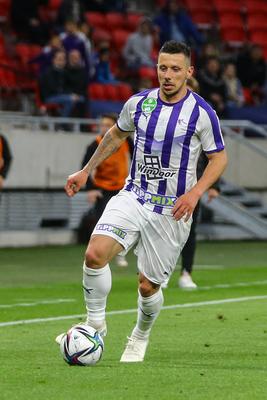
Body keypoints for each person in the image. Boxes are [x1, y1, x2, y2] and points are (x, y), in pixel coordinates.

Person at [60, 40, 227, 363]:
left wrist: (194, 192)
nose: (168, 75)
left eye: (175, 69)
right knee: (94, 254)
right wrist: (86, 170)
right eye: (163, 68)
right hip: (134, 195)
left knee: (148, 286)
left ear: (188, 72)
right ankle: (95, 324)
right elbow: (115, 135)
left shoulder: (202, 113)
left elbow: (219, 159)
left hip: (171, 210)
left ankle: (140, 334)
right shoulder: (139, 104)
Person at [78, 112, 134, 267]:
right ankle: (97, 254)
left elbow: (137, 159)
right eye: (102, 125)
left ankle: (119, 253)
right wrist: (91, 189)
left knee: (124, 222)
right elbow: (84, 168)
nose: (104, 128)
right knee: (102, 223)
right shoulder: (95, 144)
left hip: (122, 188)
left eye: (108, 125)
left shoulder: (125, 141)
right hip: (102, 188)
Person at [39, 50, 85, 118]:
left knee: (81, 98)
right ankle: (62, 122)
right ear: (54, 60)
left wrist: (72, 94)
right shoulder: (48, 73)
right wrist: (69, 95)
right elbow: (53, 89)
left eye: (63, 59)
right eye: (60, 59)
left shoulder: (64, 72)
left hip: (61, 96)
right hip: (49, 97)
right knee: (70, 100)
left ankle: (65, 119)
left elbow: (68, 86)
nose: (62, 61)